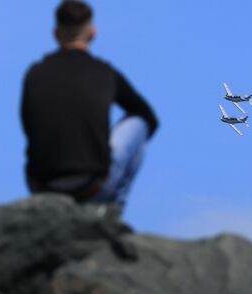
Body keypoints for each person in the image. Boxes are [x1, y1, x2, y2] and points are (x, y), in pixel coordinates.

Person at [21, 0, 159, 207]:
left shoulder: (34, 73)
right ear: (92, 33)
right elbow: (149, 119)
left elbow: (28, 125)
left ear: (56, 34)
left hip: (41, 186)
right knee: (139, 121)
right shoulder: (105, 73)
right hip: (92, 187)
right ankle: (112, 212)